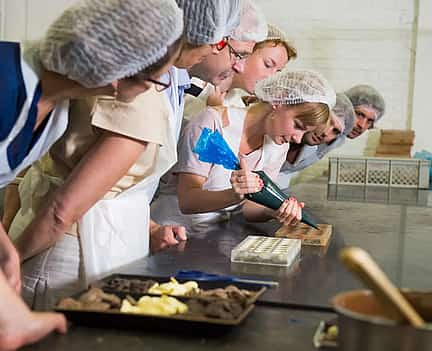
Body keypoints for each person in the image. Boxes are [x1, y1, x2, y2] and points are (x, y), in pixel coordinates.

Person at [7, 0, 245, 311]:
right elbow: (61, 209)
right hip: (64, 248)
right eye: (228, 46)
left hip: (83, 239)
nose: (236, 63)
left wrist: (148, 227)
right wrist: (10, 263)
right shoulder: (137, 94)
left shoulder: (149, 83)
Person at [0, 0, 184, 347]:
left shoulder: (53, 104)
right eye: (155, 81)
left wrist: (6, 251)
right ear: (118, 77)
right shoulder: (6, 87)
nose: (154, 90)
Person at [151, 68, 335, 232]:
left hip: (214, 236)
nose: (297, 138)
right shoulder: (213, 125)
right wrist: (235, 195)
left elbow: (249, 205)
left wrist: (275, 209)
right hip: (174, 234)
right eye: (298, 125)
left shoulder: (278, 147)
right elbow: (188, 201)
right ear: (279, 100)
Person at [277, 93, 356, 186]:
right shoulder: (278, 134)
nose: (326, 133)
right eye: (327, 121)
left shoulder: (313, 151)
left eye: (335, 131)